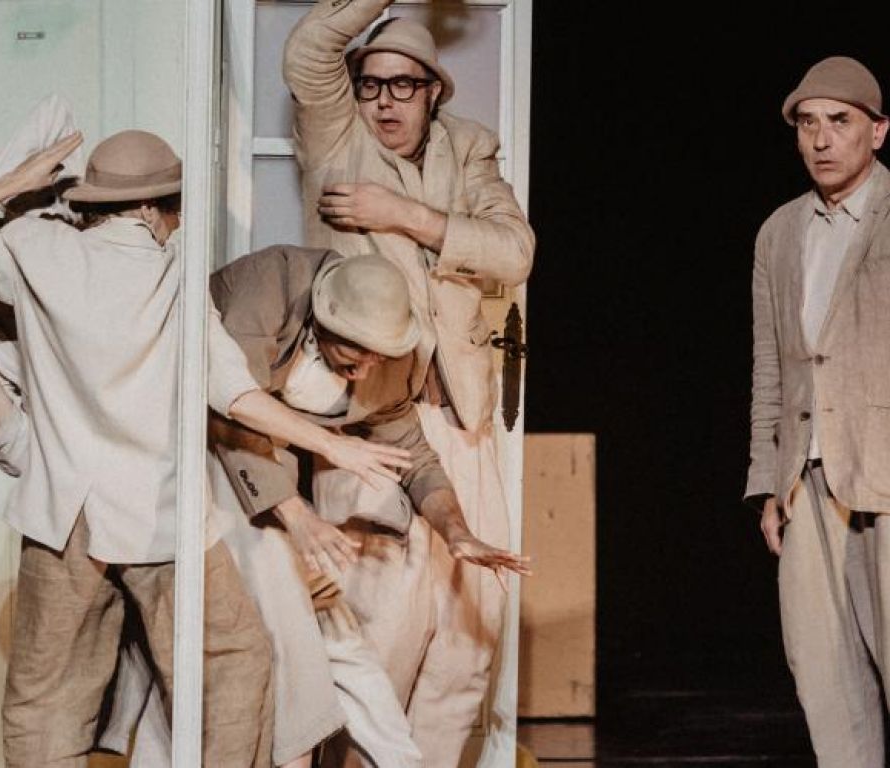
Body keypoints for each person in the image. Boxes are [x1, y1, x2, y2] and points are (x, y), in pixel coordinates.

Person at [0, 129, 274, 767]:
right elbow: (19, 446)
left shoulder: (35, 255)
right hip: (148, 513)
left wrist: (13, 185)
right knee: (228, 664)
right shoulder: (151, 267)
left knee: (50, 699)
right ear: (154, 208)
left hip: (68, 517)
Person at [283, 1, 536, 764]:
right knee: (379, 631)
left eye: (403, 86)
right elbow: (310, 46)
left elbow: (514, 252)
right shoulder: (337, 139)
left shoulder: (469, 149)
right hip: (371, 421)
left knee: (469, 634)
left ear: (433, 92)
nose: (385, 102)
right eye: (371, 85)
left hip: (459, 418)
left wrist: (402, 214)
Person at [209, 245, 531, 765]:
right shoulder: (269, 285)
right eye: (356, 352)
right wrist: (296, 514)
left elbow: (416, 458)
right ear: (324, 315)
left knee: (337, 634)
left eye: (379, 355)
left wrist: (456, 531)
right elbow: (228, 408)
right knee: (282, 627)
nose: (365, 369)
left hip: (272, 472)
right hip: (203, 456)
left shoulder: (387, 363)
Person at [746, 55, 890, 766]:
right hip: (807, 478)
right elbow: (771, 366)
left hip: (884, 468)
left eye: (840, 121)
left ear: (878, 130)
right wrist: (768, 481)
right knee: (824, 676)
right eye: (808, 124)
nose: (822, 139)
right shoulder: (780, 232)